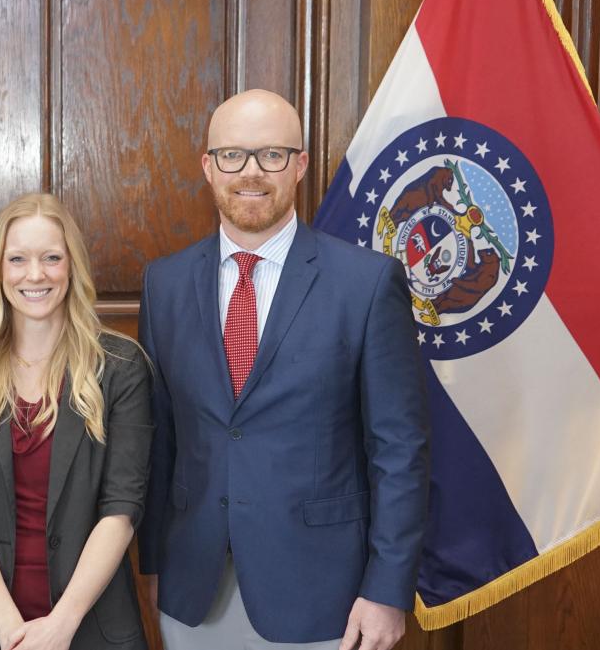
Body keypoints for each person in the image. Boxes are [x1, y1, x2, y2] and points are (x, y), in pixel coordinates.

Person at [137, 89, 430, 650]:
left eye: (271, 154)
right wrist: (153, 566)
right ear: (208, 167)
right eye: (232, 156)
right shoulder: (164, 283)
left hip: (328, 597)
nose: (251, 172)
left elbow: (400, 450)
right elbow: (161, 436)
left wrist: (389, 590)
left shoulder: (366, 284)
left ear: (299, 166)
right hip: (194, 591)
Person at [0, 193, 154, 650]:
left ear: (72, 267)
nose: (35, 274)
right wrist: (13, 632)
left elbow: (122, 508)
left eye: (52, 257)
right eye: (18, 259)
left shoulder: (120, 366)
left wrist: (59, 626)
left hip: (90, 627)